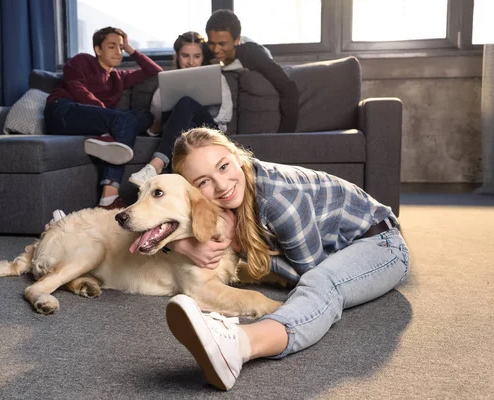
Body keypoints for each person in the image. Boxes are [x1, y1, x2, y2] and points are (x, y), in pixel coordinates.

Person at [164, 127, 411, 391]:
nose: (222, 185)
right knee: (320, 279)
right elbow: (157, 204)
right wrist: (180, 245)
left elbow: (308, 273)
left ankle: (238, 344)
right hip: (341, 250)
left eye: (223, 166)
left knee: (322, 283)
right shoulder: (235, 190)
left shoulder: (279, 200)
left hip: (382, 246)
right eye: (203, 182)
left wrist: (240, 244)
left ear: (237, 156)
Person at [45, 27, 162, 210]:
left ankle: (107, 141)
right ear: (98, 50)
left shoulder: (118, 78)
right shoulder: (82, 61)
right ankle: (109, 196)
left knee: (145, 114)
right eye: (112, 46)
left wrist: (131, 49)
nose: (118, 51)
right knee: (122, 121)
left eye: (121, 48)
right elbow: (77, 88)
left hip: (95, 121)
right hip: (63, 110)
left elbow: (155, 71)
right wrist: (108, 116)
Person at [128, 31, 233, 187]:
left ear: (202, 57)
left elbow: (226, 115)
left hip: (210, 133)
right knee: (184, 131)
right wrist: (173, 119)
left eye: (196, 56)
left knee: (186, 103)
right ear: (177, 56)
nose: (191, 62)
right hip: (180, 138)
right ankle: (182, 190)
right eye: (185, 55)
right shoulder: (166, 84)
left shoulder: (217, 78)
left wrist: (190, 111)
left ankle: (155, 166)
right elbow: (153, 128)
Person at [205, 9, 300, 133]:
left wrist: (286, 135)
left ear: (236, 40)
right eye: (212, 43)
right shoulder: (206, 51)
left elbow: (289, 88)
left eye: (222, 44)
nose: (216, 49)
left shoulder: (252, 54)